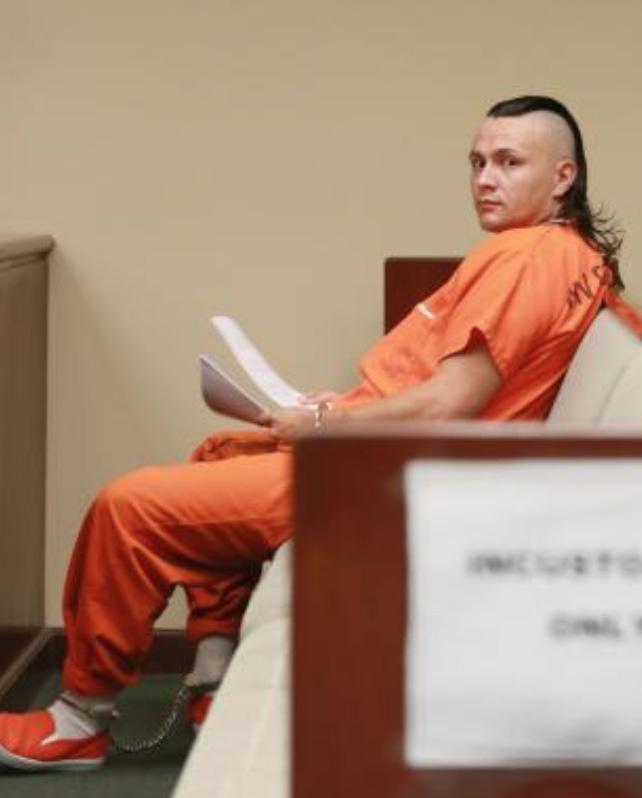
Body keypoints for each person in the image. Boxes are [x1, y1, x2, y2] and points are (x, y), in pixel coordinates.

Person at [0, 95, 626, 772]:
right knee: (219, 454)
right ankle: (214, 677)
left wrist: (327, 423)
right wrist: (342, 408)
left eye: (508, 162)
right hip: (398, 457)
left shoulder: (529, 258)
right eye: (476, 162)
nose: (485, 179)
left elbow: (451, 402)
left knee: (129, 509)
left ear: (563, 176)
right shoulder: (568, 254)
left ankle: (78, 720)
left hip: (391, 479)